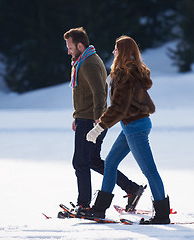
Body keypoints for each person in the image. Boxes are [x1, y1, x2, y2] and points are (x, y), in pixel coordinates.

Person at [86, 35, 171, 224]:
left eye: (116, 49)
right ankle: (99, 209)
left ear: (122, 52)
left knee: (150, 171)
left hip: (135, 127)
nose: (113, 52)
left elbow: (119, 108)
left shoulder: (125, 75)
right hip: (132, 125)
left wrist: (99, 128)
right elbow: (122, 105)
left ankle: (162, 215)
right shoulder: (128, 72)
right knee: (110, 163)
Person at [63, 27, 145, 214]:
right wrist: (77, 116)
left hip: (91, 120)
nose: (68, 51)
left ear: (80, 45)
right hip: (85, 118)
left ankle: (83, 205)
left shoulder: (90, 63)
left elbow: (100, 93)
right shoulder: (82, 61)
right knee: (92, 161)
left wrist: (98, 122)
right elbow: (84, 94)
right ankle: (131, 188)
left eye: (70, 47)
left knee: (80, 163)